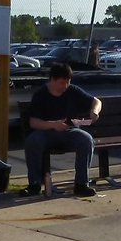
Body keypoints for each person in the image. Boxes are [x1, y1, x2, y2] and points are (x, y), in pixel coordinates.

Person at [23, 62, 102, 197]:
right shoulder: (40, 94)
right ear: (52, 80)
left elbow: (96, 101)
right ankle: (34, 184)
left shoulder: (73, 91)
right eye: (61, 83)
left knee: (86, 139)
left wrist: (94, 112)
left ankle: (81, 184)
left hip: (68, 132)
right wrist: (54, 124)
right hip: (46, 133)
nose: (65, 86)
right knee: (33, 141)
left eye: (67, 82)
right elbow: (34, 122)